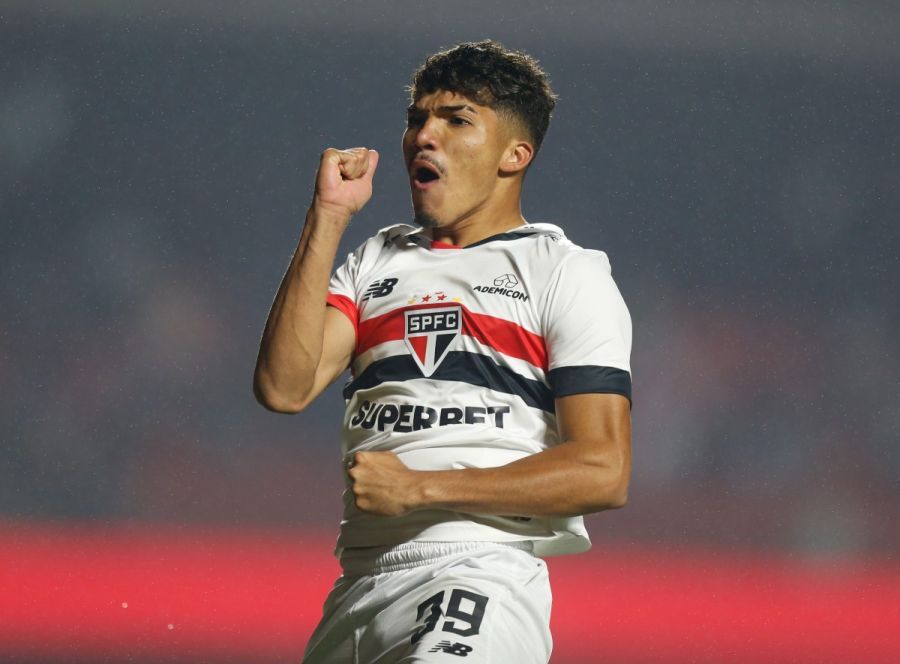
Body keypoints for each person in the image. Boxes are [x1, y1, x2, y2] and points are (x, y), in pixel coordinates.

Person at [254, 40, 632, 664]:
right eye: (417, 119)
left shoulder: (564, 272)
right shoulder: (375, 259)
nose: (424, 135)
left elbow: (603, 468)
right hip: (358, 585)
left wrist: (423, 488)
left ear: (516, 154)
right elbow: (283, 388)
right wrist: (327, 217)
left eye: (457, 120)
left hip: (477, 571)